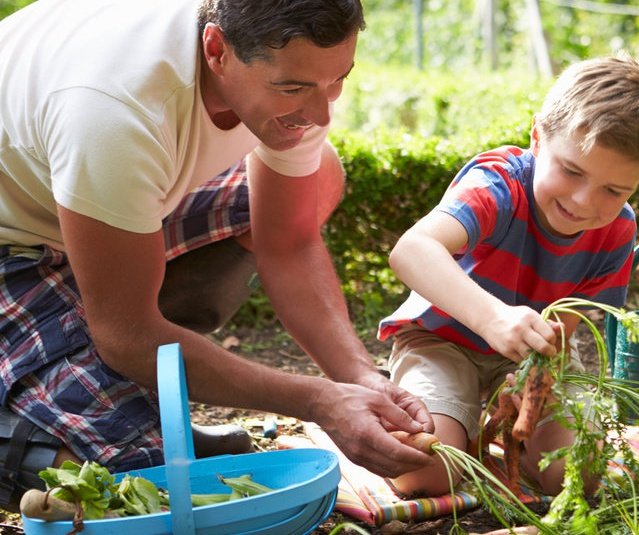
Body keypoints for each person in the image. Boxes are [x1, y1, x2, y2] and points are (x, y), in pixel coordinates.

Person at [0, 0, 434, 510]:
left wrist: (359, 378)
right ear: (216, 50)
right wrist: (319, 401)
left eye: (338, 78)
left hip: (94, 203)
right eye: (293, 87)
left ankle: (119, 383)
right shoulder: (115, 109)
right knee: (133, 481)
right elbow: (126, 333)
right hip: (16, 243)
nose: (321, 112)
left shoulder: (291, 72)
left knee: (320, 177)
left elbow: (288, 244)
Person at [377, 56, 639, 497]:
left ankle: (487, 431)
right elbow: (411, 250)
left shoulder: (617, 231)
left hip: (531, 355)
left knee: (575, 476)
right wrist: (492, 319)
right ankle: (448, 423)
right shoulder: (497, 185)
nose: (583, 201)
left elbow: (565, 329)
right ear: (537, 137)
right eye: (572, 170)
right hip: (442, 339)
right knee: (423, 472)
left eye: (614, 190)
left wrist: (532, 377)